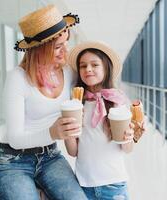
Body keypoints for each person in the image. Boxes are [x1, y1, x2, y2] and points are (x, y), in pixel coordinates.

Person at [0, 5, 87, 200]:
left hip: (50, 156)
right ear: (40, 49)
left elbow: (96, 85)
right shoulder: (18, 78)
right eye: (58, 47)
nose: (65, 52)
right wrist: (53, 132)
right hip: (13, 160)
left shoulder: (68, 72)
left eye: (65, 43)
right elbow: (16, 138)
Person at [65, 41, 140, 200]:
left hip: (113, 184)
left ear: (106, 68)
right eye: (83, 66)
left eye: (94, 64)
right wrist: (68, 131)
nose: (88, 69)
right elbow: (73, 152)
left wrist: (128, 136)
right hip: (83, 184)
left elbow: (127, 149)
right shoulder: (77, 104)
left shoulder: (117, 101)